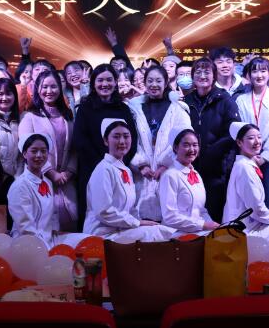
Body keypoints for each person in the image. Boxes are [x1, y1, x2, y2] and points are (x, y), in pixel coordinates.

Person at [84, 118, 173, 242]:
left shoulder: (126, 170)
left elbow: (131, 209)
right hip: (102, 234)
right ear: (105, 141)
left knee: (162, 230)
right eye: (116, 137)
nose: (122, 141)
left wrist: (139, 221)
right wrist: (137, 223)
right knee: (157, 233)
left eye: (126, 136)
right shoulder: (103, 169)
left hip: (121, 231)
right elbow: (103, 211)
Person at [72, 64, 139, 224]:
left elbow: (132, 137)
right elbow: (80, 140)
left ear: (115, 82)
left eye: (109, 80)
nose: (105, 84)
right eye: (100, 80)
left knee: (121, 211)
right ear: (93, 83)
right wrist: (104, 165)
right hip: (92, 169)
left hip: (120, 169)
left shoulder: (123, 108)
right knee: (96, 214)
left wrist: (119, 164)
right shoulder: (85, 108)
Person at [129, 65, 192, 221]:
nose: (154, 85)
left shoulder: (178, 108)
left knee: (171, 218)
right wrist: (140, 164)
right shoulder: (134, 108)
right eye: (150, 81)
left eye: (158, 81)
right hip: (141, 175)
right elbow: (129, 139)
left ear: (165, 83)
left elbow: (184, 139)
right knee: (142, 224)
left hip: (170, 172)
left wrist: (165, 164)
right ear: (145, 83)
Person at [18, 70, 78, 232]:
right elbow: (27, 150)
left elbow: (75, 148)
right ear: (37, 89)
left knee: (70, 229)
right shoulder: (29, 117)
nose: (49, 91)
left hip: (66, 182)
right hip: (41, 179)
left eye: (53, 86)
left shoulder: (67, 116)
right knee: (44, 228)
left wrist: (69, 172)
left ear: (60, 88)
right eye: (44, 87)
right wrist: (51, 173)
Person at [182, 57, 240, 220]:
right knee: (192, 212)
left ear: (214, 76)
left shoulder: (225, 100)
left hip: (217, 168)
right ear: (192, 76)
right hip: (190, 166)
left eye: (207, 72)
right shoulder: (186, 101)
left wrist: (212, 152)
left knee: (216, 213)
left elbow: (232, 132)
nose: (202, 76)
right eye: (198, 72)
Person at [235, 57, 269, 214]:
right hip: (248, 158)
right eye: (255, 71)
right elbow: (242, 129)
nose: (259, 75)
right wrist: (250, 154)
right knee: (249, 202)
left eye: (263, 71)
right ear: (248, 75)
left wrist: (265, 156)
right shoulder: (241, 100)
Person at [159, 129, 219, 234]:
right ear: (175, 147)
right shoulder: (169, 176)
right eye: (186, 145)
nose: (192, 149)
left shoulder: (196, 175)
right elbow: (170, 217)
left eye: (195, 145)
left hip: (197, 232)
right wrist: (203, 225)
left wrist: (214, 227)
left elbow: (201, 211)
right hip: (175, 234)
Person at [8, 132, 58, 246]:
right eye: (34, 151)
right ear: (25, 154)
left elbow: (54, 214)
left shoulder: (48, 182)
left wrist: (55, 233)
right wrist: (47, 248)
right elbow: (26, 227)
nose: (39, 155)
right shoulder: (20, 186)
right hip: (28, 244)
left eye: (43, 151)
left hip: (49, 239)